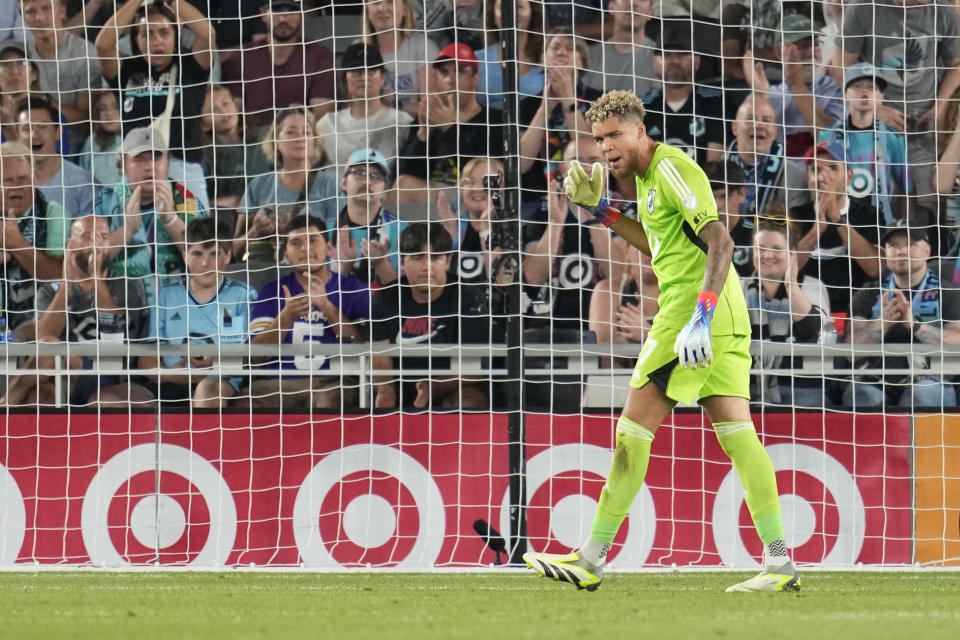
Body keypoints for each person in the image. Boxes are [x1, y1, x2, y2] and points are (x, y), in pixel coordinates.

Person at [522, 90, 799, 593]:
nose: (605, 149)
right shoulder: (649, 182)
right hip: (725, 315)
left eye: (613, 137)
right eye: (598, 140)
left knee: (631, 431)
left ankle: (591, 557)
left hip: (694, 312)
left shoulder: (670, 167)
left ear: (639, 132)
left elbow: (721, 240)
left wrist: (699, 315)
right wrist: (601, 211)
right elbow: (659, 244)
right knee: (739, 437)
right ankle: (779, 563)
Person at [1, 215, 152, 408]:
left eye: (103, 236)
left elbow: (115, 336)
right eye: (88, 236)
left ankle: (5, 406)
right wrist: (66, 284)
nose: (96, 243)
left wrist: (96, 278)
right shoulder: (49, 291)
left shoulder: (128, 285)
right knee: (40, 393)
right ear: (70, 244)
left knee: (53, 349)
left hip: (112, 373)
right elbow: (43, 339)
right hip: (66, 377)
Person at [839, 0, 960, 204]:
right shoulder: (862, 9)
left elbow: (956, 65)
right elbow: (841, 67)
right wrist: (877, 109)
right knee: (872, 209)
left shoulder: (942, 9)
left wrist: (940, 106)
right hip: (873, 134)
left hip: (924, 134)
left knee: (926, 210)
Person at [249, 214, 370, 409]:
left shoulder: (353, 288)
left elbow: (363, 346)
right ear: (286, 253)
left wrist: (326, 306)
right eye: (295, 243)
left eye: (313, 240)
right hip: (279, 383)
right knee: (247, 400)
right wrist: (286, 317)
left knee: (330, 400)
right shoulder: (272, 291)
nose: (305, 249)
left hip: (332, 382)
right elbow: (256, 356)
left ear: (329, 247)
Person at [844, 211, 960, 410]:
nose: (901, 251)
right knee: (860, 394)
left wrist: (914, 325)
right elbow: (850, 352)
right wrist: (883, 322)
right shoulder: (867, 294)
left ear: (927, 251)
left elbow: (957, 342)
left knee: (921, 395)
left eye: (910, 244)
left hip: (932, 379)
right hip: (876, 378)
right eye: (893, 246)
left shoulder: (949, 293)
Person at [139, 217, 256, 409]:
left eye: (213, 254)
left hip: (218, 383)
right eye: (197, 254)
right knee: (111, 398)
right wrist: (170, 375)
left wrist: (215, 361)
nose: (204, 263)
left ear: (227, 256)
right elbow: (145, 358)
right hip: (169, 383)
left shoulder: (242, 295)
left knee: (207, 389)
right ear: (185, 255)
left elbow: (252, 355)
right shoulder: (167, 295)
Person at [370, 222, 489, 410]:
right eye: (418, 258)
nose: (427, 267)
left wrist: (430, 387)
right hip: (401, 385)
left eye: (435, 258)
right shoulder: (385, 298)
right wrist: (385, 387)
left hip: (453, 385)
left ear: (448, 262)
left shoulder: (469, 297)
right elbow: (380, 356)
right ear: (401, 261)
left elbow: (472, 371)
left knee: (469, 401)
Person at [94, 126, 206, 307]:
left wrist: (170, 219)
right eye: (139, 159)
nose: (150, 166)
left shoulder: (185, 199)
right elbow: (87, 263)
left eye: (157, 158)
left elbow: (207, 261)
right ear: (122, 165)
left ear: (167, 163)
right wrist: (127, 230)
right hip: (120, 304)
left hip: (180, 303)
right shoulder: (105, 203)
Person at [95, 0, 214, 159]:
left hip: (183, 168)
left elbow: (208, 33)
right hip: (137, 165)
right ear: (136, 40)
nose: (157, 41)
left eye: (164, 33)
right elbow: (103, 45)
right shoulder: (126, 71)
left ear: (175, 36)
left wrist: (171, 1)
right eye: (147, 34)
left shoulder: (191, 67)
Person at [395, 43, 503, 205]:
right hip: (430, 200)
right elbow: (403, 173)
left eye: (459, 71)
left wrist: (449, 129)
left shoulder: (495, 120)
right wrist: (423, 135)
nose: (450, 80)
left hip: (478, 197)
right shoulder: (427, 118)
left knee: (405, 186)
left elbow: (489, 177)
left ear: (476, 78)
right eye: (443, 73)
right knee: (401, 185)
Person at [741, 220, 831, 408]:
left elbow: (813, 330)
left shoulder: (811, 286)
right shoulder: (737, 287)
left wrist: (791, 286)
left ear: (792, 254)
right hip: (744, 386)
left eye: (776, 249)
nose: (767, 255)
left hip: (800, 386)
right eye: (760, 248)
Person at [233, 107, 339, 262]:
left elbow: (338, 247)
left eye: (306, 132)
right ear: (276, 140)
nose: (300, 138)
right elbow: (232, 252)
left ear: (314, 140)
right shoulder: (258, 185)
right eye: (291, 132)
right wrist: (255, 232)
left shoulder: (330, 185)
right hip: (264, 274)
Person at [793, 140, 882, 316]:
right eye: (815, 170)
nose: (822, 177)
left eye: (833, 168)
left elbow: (876, 268)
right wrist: (815, 231)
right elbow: (786, 269)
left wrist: (837, 221)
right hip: (805, 313)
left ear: (849, 177)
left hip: (853, 313)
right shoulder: (795, 216)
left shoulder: (868, 215)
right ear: (808, 179)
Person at [220, 0, 336, 132]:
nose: (283, 19)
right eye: (276, 10)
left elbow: (321, 115)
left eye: (291, 11)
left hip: (301, 138)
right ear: (263, 14)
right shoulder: (240, 56)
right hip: (252, 140)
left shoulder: (319, 55)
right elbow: (234, 115)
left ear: (302, 16)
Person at [818, 63, 910, 226]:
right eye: (857, 86)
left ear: (881, 96)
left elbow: (907, 188)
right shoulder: (827, 136)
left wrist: (904, 228)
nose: (864, 91)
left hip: (879, 223)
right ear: (845, 95)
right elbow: (818, 182)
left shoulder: (893, 138)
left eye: (871, 87)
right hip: (837, 220)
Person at [742, 12, 843, 159]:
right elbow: (747, 154)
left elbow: (832, 141)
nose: (811, 53)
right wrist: (760, 96)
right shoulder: (765, 95)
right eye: (802, 47)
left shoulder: (835, 89)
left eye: (815, 45)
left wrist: (796, 84)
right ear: (778, 52)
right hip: (776, 179)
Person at [0, 140, 68, 338]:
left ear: (34, 178)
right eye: (8, 180)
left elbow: (58, 277)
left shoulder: (54, 214)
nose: (16, 187)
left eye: (23, 179)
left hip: (39, 318)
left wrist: (17, 245)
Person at [315, 43, 414, 179]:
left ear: (383, 77)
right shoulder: (327, 124)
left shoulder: (402, 122)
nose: (363, 77)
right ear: (344, 79)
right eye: (356, 71)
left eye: (371, 71)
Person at [640, 26, 725, 165]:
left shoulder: (715, 102)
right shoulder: (642, 106)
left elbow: (714, 167)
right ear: (655, 62)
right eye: (667, 54)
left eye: (682, 54)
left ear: (697, 61)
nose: (674, 60)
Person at [329, 148, 405, 288]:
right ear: (344, 183)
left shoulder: (403, 231)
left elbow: (409, 297)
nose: (367, 182)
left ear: (384, 190)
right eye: (359, 173)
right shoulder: (323, 231)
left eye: (376, 177)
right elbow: (317, 297)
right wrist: (344, 268)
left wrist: (381, 264)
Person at [726, 95, 809, 217]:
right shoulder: (717, 171)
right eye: (750, 119)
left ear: (774, 131)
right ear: (735, 128)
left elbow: (796, 230)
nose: (759, 125)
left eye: (766, 120)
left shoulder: (796, 178)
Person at [16, 94, 93, 217]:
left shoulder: (82, 182)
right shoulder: (6, 183)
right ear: (17, 137)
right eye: (26, 128)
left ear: (58, 133)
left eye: (42, 127)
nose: (34, 135)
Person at [362, 0, 439, 117]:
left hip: (413, 130)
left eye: (390, 2)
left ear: (405, 10)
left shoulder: (423, 47)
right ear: (367, 11)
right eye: (376, 3)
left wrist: (394, 105)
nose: (382, 8)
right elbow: (351, 108)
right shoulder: (358, 51)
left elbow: (432, 110)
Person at [477, 0, 545, 110]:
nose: (512, 12)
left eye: (519, 7)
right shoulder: (476, 61)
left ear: (532, 13)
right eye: (504, 7)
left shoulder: (550, 61)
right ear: (493, 14)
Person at [583, 0, 656, 98]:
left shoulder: (662, 59)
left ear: (650, 13)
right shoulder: (589, 58)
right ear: (611, 7)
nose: (633, 3)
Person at [703, 160, 749, 276]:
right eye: (711, 197)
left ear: (741, 194)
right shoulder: (693, 235)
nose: (717, 205)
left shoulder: (755, 236)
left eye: (725, 196)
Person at [77, 90, 123, 188]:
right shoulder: (92, 142)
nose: (109, 114)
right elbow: (83, 175)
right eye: (102, 109)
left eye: (116, 107)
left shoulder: (136, 140)